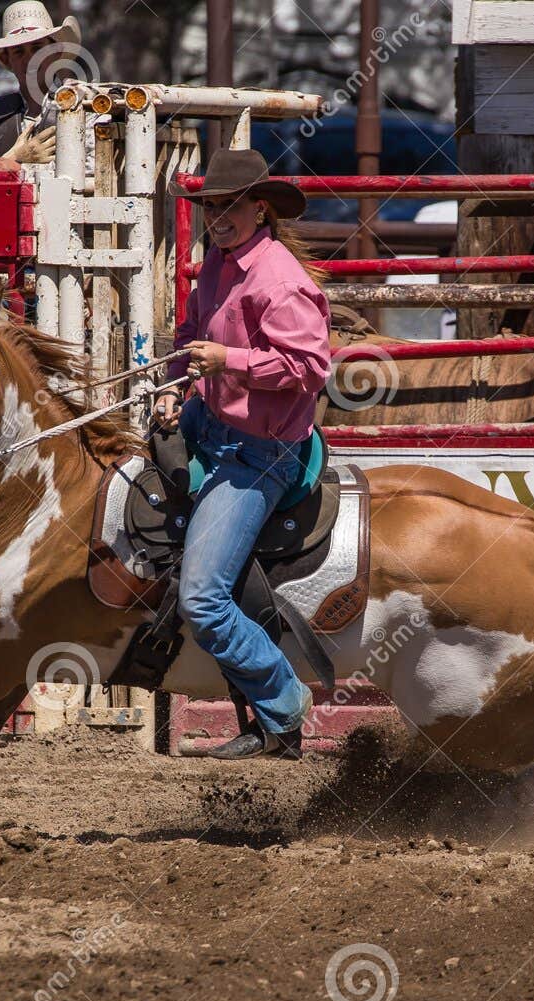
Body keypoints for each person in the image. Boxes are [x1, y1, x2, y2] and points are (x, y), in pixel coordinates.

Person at [157, 149, 331, 761]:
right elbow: (190, 337)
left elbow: (311, 369)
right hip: (213, 423)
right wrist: (178, 388)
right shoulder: (219, 265)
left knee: (203, 597)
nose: (219, 216)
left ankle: (283, 702)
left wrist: (228, 362)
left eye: (231, 206)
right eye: (211, 206)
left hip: (262, 449)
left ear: (261, 208)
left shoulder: (279, 281)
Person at [0, 2, 93, 177]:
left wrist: (19, 171)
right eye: (19, 52)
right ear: (7, 60)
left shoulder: (86, 106)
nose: (30, 59)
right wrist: (14, 157)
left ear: (56, 52)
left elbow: (94, 172)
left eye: (37, 48)